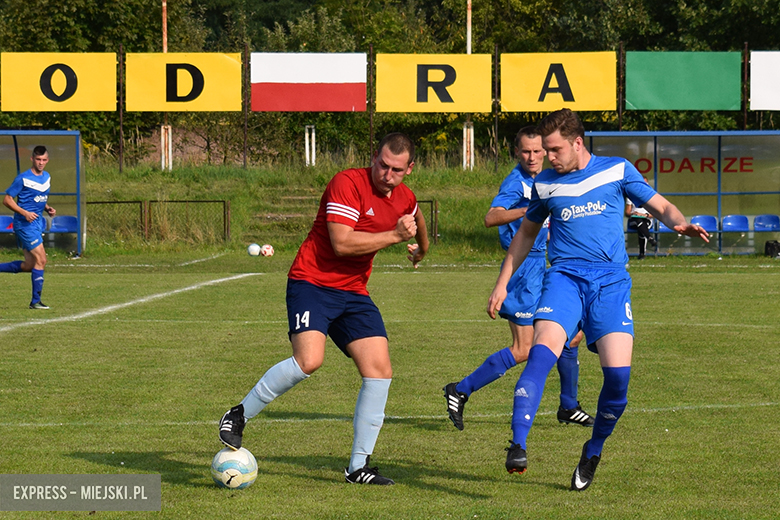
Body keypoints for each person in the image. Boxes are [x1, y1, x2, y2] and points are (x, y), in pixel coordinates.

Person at [486, 109, 708, 491]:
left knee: (618, 381)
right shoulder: (546, 185)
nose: (548, 158)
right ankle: (518, 444)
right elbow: (524, 235)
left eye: (554, 150)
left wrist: (679, 223)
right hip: (565, 280)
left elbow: (658, 203)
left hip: (610, 285)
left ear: (577, 142)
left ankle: (594, 448)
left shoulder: (616, 170)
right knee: (541, 353)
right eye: (544, 151)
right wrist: (502, 282)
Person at [218, 133, 428, 486]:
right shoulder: (347, 183)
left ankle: (358, 467)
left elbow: (418, 219)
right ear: (373, 157)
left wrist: (421, 250)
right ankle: (238, 414)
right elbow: (342, 243)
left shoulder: (405, 196)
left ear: (409, 169)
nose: (386, 174)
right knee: (309, 362)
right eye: (381, 165)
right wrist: (395, 236)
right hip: (311, 282)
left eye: (396, 169)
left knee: (379, 370)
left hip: (353, 291)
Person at [443, 127, 593, 447]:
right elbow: (491, 217)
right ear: (516, 152)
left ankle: (568, 405)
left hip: (544, 267)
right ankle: (461, 389)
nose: (533, 157)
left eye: (538, 151)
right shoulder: (517, 183)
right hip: (523, 272)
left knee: (571, 335)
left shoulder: (550, 176)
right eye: (526, 152)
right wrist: (529, 210)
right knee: (524, 348)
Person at [0, 145, 56, 309]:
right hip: (24, 224)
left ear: (47, 160)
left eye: (44, 160)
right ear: (32, 159)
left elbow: (39, 197)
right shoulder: (23, 178)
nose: (41, 163)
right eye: (38, 159)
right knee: (42, 259)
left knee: (30, 265)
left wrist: (47, 208)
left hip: (36, 223)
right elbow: (7, 200)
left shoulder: (47, 177)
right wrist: (24, 213)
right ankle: (35, 302)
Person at [625, 176, 656, 259]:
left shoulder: (652, 196)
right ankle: (649, 239)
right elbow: (627, 212)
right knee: (639, 221)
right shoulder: (631, 195)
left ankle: (642, 253)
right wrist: (633, 213)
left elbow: (654, 213)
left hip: (647, 219)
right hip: (634, 220)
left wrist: (643, 215)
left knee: (641, 224)